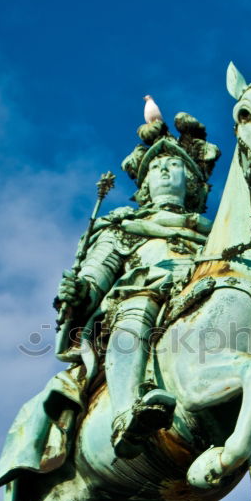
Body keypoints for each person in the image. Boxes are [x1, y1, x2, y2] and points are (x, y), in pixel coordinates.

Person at [56, 112, 220, 457]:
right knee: (137, 304)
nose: (162, 171)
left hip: (198, 297)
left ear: (191, 181)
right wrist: (79, 292)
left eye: (173, 166)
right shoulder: (122, 227)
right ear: (144, 185)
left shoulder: (217, 236)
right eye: (154, 168)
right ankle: (125, 415)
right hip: (142, 297)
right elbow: (94, 280)